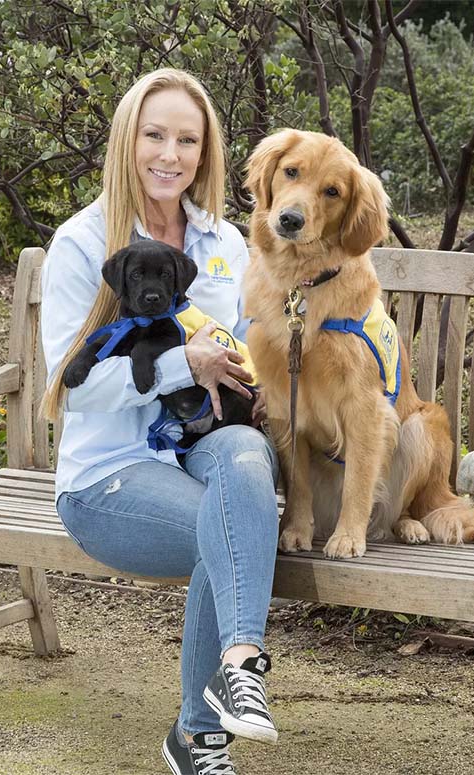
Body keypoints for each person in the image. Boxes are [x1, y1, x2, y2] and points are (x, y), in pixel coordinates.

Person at [39, 68, 280, 775]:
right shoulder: (85, 243)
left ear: (205, 152)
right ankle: (203, 732)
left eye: (187, 139)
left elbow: (241, 353)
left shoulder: (224, 244)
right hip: (107, 479)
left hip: (199, 446)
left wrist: (262, 379)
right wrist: (182, 367)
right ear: (127, 142)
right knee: (228, 526)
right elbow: (69, 392)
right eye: (154, 135)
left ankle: (235, 668)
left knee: (243, 457)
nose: (170, 154)